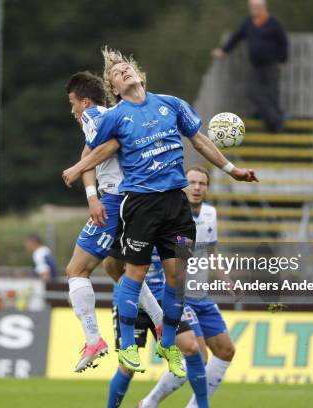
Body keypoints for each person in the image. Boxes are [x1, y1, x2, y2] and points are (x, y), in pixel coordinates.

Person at [62, 47, 257, 378]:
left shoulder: (171, 104)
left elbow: (199, 140)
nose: (122, 72)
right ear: (113, 89)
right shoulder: (113, 116)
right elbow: (103, 146)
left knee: (173, 277)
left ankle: (164, 338)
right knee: (121, 270)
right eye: (115, 73)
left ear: (140, 75)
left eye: (126, 68)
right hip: (139, 205)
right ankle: (124, 341)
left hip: (175, 206)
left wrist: (231, 168)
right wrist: (85, 176)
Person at [65, 71, 163, 373]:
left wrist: (80, 171)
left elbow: (109, 148)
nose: (72, 112)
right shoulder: (113, 115)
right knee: (114, 266)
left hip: (117, 201)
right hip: (132, 199)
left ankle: (94, 340)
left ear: (84, 101)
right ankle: (162, 324)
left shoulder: (93, 115)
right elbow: (91, 155)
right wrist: (91, 196)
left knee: (76, 269)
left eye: (72, 104)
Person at [139, 167, 236, 408]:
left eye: (202, 183)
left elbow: (212, 250)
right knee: (198, 355)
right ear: (183, 186)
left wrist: (225, 278)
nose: (196, 187)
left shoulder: (211, 214)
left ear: (207, 188)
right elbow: (178, 257)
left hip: (202, 296)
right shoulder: (171, 217)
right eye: (191, 182)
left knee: (225, 350)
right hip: (178, 296)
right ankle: (150, 402)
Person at [108, 250, 208, 408]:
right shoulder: (128, 227)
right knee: (127, 366)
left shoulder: (173, 228)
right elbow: (110, 265)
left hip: (163, 300)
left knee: (192, 348)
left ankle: (151, 403)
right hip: (131, 302)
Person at [212, 0, 288, 133]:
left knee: (272, 95)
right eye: (251, 6)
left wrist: (283, 60)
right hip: (256, 66)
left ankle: (275, 124)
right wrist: (223, 50)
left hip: (271, 65)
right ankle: (273, 121)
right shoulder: (248, 23)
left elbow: (283, 42)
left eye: (256, 6)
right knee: (254, 93)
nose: (253, 9)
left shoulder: (274, 23)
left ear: (263, 7)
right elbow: (236, 38)